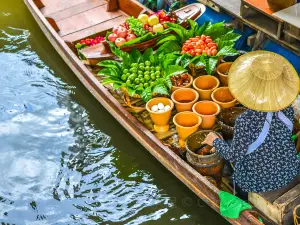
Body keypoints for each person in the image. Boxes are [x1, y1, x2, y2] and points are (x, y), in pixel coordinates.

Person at [202, 51, 300, 199]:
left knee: (227, 146)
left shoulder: (245, 121)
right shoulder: (287, 110)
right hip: (289, 170)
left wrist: (214, 140)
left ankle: (243, 196)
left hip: (258, 182)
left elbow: (233, 155)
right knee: (231, 144)